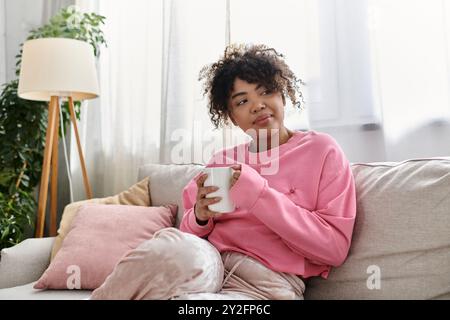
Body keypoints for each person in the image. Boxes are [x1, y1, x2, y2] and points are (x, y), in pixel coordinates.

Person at [178, 43, 357, 300]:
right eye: (242, 101)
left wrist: (257, 193)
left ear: (282, 96)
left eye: (266, 92)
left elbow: (334, 249)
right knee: (164, 247)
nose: (257, 105)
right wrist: (199, 218)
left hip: (266, 284)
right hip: (206, 266)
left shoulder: (321, 150)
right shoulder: (223, 160)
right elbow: (186, 238)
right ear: (231, 117)